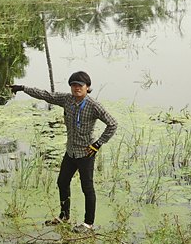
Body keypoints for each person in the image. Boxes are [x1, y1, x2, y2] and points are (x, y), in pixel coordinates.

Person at [10, 71, 117, 232]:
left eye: (79, 86)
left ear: (87, 87)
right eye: (73, 85)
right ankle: (64, 216)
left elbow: (112, 124)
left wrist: (97, 144)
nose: (76, 88)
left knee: (87, 188)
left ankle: (88, 223)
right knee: (62, 182)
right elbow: (46, 95)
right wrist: (23, 88)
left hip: (86, 153)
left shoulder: (94, 106)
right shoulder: (67, 99)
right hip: (71, 152)